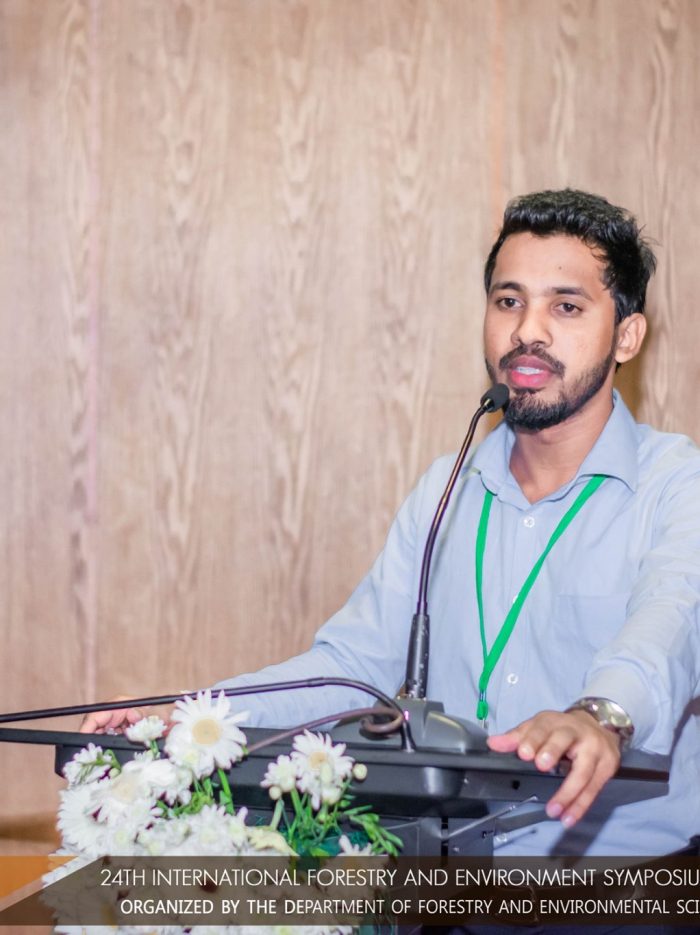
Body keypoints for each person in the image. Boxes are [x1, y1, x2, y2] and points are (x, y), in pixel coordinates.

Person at [83, 189, 700, 864]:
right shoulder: (447, 488)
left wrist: (602, 715)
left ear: (627, 336)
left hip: (629, 886)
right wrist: (197, 717)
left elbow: (670, 623)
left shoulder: (676, 485)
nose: (529, 330)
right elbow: (353, 668)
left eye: (567, 306)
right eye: (508, 300)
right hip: (444, 881)